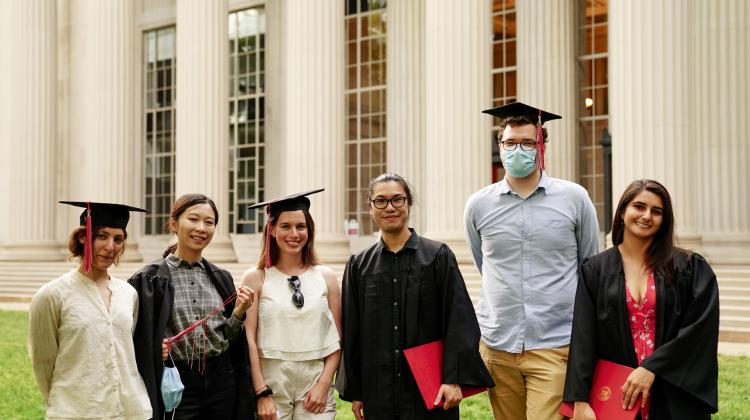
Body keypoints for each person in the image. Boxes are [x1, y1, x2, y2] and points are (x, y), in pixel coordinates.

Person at [464, 102, 600, 419]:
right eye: (510, 143)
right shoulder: (479, 205)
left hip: (554, 343)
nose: (518, 150)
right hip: (498, 344)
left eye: (528, 143)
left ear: (541, 147)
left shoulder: (574, 198)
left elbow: (589, 265)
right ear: (500, 146)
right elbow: (484, 263)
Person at [340, 173, 494, 420]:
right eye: (381, 201)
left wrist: (452, 379)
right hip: (379, 391)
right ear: (370, 208)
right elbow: (353, 332)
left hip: (431, 390)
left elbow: (459, 320)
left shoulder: (438, 256)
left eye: (397, 200)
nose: (390, 207)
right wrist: (356, 390)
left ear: (409, 204)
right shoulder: (360, 266)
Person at [564, 179, 719, 419]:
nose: (647, 216)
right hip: (619, 393)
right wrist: (579, 400)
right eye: (639, 206)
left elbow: (699, 330)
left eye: (657, 211)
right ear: (623, 211)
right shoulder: (596, 269)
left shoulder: (688, 267)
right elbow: (584, 336)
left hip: (673, 390)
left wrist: (652, 368)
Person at [129, 194, 255, 419]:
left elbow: (227, 337)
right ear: (174, 224)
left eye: (209, 222)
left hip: (221, 379)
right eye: (193, 219)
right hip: (177, 380)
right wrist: (155, 348)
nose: (201, 228)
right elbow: (135, 335)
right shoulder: (149, 279)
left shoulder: (220, 277)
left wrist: (238, 312)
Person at [29, 201, 152, 419]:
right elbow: (43, 363)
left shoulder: (128, 294)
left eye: (118, 239)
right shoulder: (51, 295)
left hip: (131, 410)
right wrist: (66, 403)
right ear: (83, 237)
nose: (110, 247)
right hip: (78, 410)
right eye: (102, 236)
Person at [242, 189, 341, 419]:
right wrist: (261, 392)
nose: (294, 233)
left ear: (310, 231)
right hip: (272, 380)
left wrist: (324, 385)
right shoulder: (256, 277)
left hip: (314, 380)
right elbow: (249, 338)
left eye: (301, 226)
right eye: (285, 226)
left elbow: (337, 339)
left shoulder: (326, 277)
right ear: (272, 230)